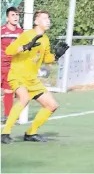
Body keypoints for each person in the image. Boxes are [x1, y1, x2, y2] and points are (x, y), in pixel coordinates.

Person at [1, 10, 69, 144]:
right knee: (24, 98)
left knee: (52, 105)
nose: (48, 20)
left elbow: (47, 59)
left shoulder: (45, 39)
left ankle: (31, 133)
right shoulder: (27, 35)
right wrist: (25, 46)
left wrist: (56, 56)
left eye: (48, 18)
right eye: (44, 18)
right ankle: (5, 133)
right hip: (17, 75)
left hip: (32, 80)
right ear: (36, 21)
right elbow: (9, 51)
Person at [1, 7, 23, 123]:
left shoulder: (21, 32)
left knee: (18, 90)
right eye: (13, 15)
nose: (15, 17)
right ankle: (8, 115)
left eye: (17, 15)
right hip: (4, 64)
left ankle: (12, 114)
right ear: (7, 18)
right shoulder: (2, 31)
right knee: (8, 90)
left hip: (17, 65)